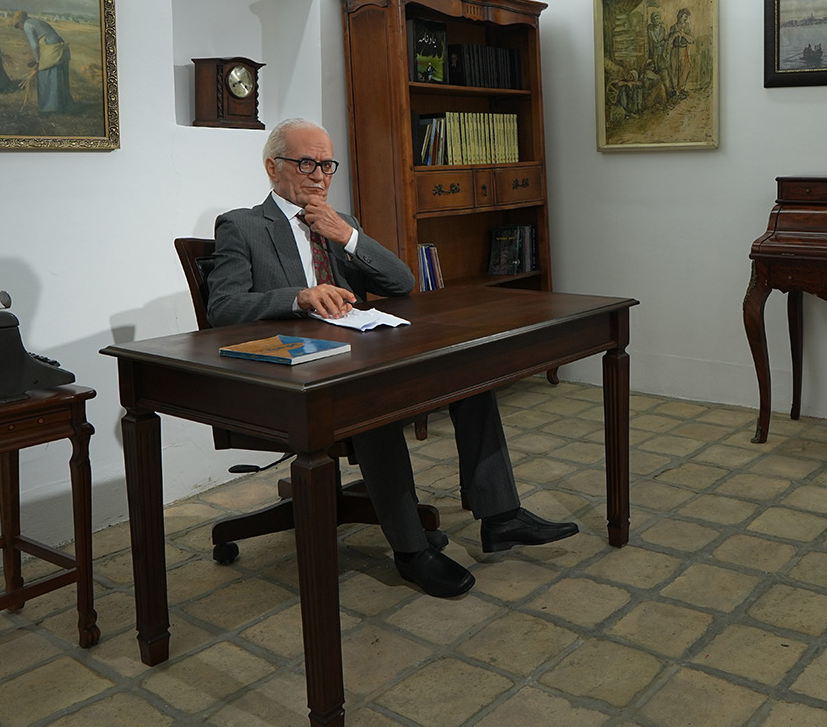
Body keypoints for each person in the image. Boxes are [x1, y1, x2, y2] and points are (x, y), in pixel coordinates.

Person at [202, 118, 577, 597]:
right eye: (306, 163)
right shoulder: (243, 225)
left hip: (357, 350)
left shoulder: (342, 223)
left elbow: (402, 283)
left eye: (327, 165)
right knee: (372, 401)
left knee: (468, 374)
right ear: (273, 167)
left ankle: (501, 517)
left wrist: (347, 236)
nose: (319, 176)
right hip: (296, 372)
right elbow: (223, 307)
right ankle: (411, 550)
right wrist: (298, 297)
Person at [9, 11, 73, 113]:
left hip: (52, 48)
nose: (19, 29)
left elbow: (34, 45)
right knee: (58, 75)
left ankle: (49, 108)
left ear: (20, 22)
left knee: (45, 76)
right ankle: (62, 106)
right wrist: (37, 58)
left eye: (17, 26)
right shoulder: (35, 21)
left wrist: (38, 61)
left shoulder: (27, 25)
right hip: (58, 48)